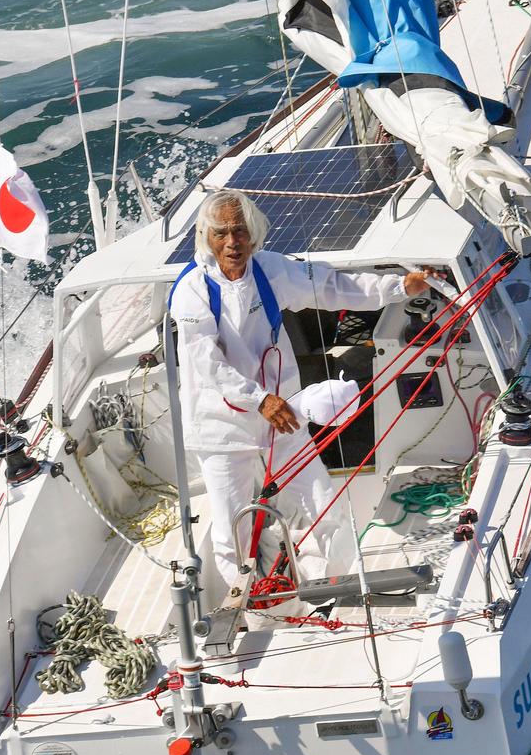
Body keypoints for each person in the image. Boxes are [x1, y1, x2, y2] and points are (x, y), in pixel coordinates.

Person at [169, 188, 432, 593]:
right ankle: (247, 597)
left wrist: (398, 287)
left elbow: (332, 287)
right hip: (220, 426)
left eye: (239, 231)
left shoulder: (270, 271)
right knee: (232, 526)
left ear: (254, 234)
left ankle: (323, 588)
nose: (231, 242)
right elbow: (207, 362)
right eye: (220, 233)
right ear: (206, 237)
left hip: (281, 414)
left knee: (319, 503)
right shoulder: (192, 290)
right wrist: (259, 400)